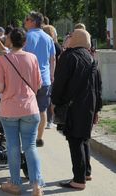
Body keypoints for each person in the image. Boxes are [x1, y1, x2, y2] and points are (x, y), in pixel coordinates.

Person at [0, 28, 44, 196]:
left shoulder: (3, 60)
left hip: (9, 109)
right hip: (30, 108)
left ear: (9, 41)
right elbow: (38, 84)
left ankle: (15, 184)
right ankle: (36, 184)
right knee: (30, 146)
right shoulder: (33, 58)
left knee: (13, 147)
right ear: (24, 42)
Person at [51, 29, 102, 190]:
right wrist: (97, 110)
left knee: (75, 140)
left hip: (73, 106)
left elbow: (59, 84)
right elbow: (99, 87)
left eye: (71, 35)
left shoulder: (69, 57)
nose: (68, 37)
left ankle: (79, 179)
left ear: (76, 39)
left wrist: (54, 102)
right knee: (84, 138)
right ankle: (86, 171)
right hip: (89, 105)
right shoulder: (91, 58)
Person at [24, 11, 56, 147]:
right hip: (45, 79)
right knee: (42, 110)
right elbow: (52, 59)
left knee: (27, 110)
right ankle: (39, 137)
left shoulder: (27, 37)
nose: (25, 22)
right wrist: (52, 75)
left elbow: (21, 57)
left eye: (27, 19)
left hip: (28, 80)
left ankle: (28, 137)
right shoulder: (48, 38)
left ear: (33, 21)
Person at [42, 25, 62, 129]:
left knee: (47, 99)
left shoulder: (46, 44)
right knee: (50, 99)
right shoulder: (56, 45)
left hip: (50, 73)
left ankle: (48, 120)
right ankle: (50, 120)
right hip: (54, 73)